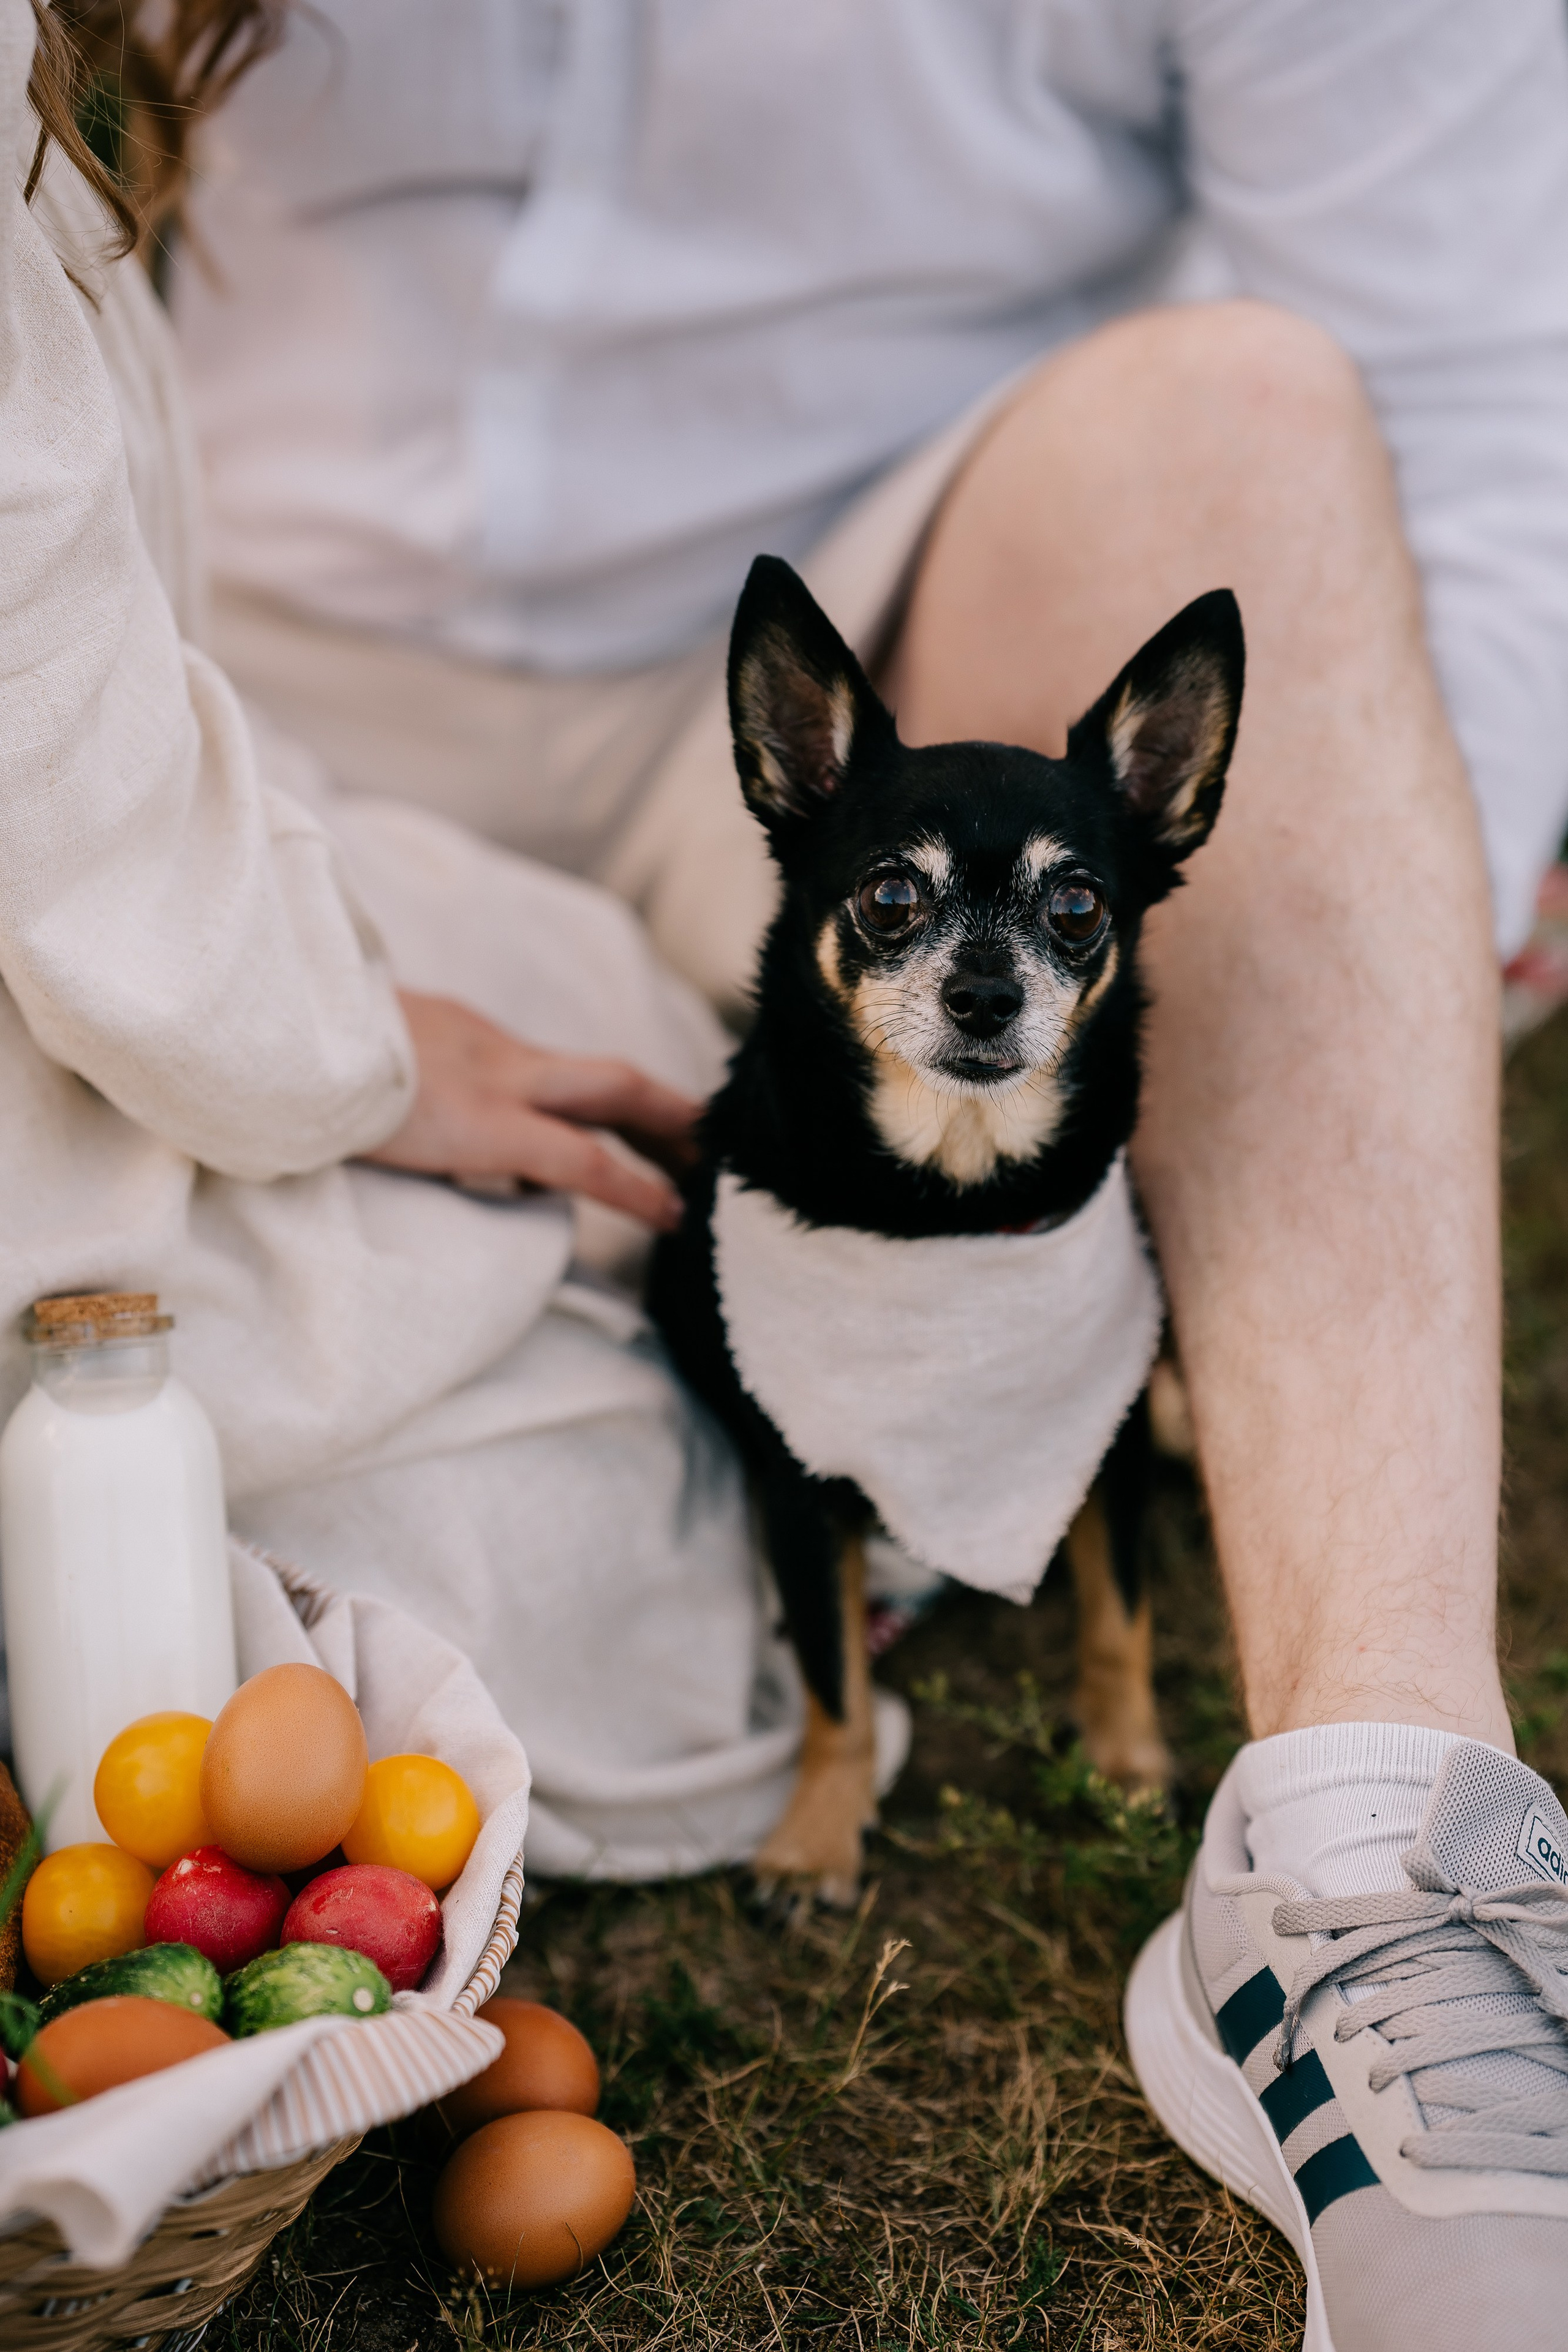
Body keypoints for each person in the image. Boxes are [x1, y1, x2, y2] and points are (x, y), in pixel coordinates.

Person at [160, 4, 1568, 2343]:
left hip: (914, 636)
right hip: (238, 665)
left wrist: (1436, 878)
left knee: (1236, 405)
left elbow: (1483, 378)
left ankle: (1379, 1853)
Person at [0, 0, 884, 1887]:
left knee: (589, 1017)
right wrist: (350, 1048)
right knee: (579, 1566)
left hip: (159, 830)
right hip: (71, 1004)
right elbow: (48, 760)